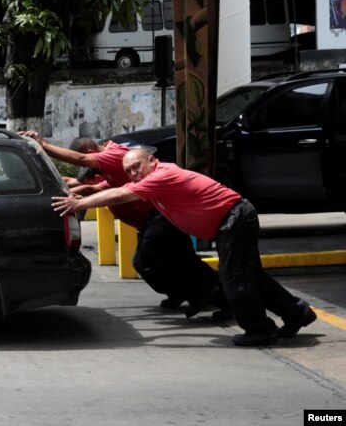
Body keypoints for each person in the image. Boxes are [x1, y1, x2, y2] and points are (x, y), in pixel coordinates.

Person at [51, 147, 317, 347]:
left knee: (234, 276)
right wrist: (79, 191)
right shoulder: (149, 180)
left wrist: (79, 205)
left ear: (152, 161)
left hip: (234, 218)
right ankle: (296, 312)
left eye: (137, 166)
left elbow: (121, 194)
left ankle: (260, 330)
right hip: (233, 220)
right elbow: (110, 187)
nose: (132, 173)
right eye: (129, 170)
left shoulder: (163, 174)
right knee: (249, 275)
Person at [21, 131, 226, 318]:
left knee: (146, 262)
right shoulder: (112, 170)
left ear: (92, 151)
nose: (86, 167)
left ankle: (198, 292)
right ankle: (223, 301)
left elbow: (87, 163)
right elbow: (93, 187)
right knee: (184, 260)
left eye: (88, 163)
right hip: (156, 218)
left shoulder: (114, 156)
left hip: (160, 216)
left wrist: (44, 146)